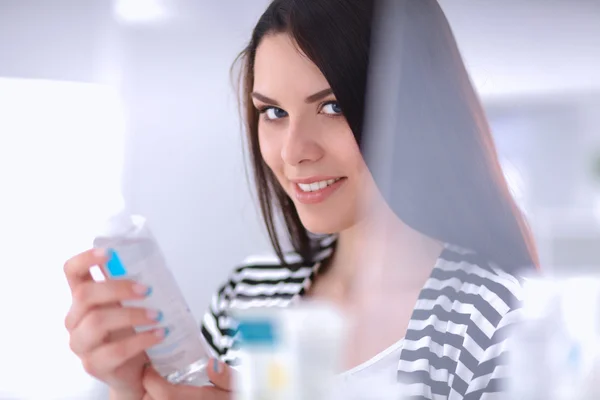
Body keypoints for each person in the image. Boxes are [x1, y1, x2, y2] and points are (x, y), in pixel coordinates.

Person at [63, 0, 539, 399]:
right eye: (272, 112)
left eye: (331, 107)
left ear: (414, 110)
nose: (293, 152)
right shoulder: (248, 295)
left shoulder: (494, 319)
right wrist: (132, 386)